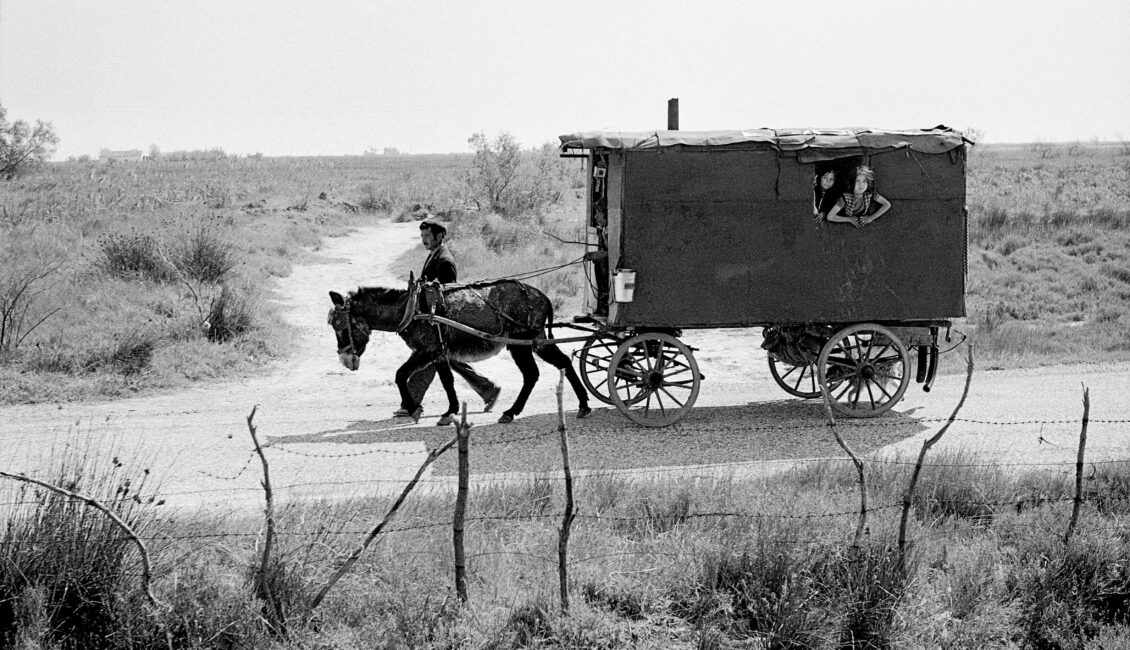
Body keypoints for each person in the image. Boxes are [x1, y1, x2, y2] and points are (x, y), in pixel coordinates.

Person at [393, 219, 502, 421]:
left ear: (439, 236)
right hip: (435, 321)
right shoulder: (433, 256)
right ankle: (488, 390)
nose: (424, 240)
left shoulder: (444, 261)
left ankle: (411, 402)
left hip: (442, 321)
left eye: (427, 236)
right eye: (422, 236)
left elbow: (449, 294)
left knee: (429, 358)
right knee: (447, 359)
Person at [825, 166, 891, 228]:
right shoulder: (845, 198)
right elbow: (830, 217)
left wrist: (871, 218)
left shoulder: (870, 193)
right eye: (857, 181)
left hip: (864, 212)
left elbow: (887, 204)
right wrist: (849, 219)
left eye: (864, 181)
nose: (861, 185)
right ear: (851, 183)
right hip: (847, 213)